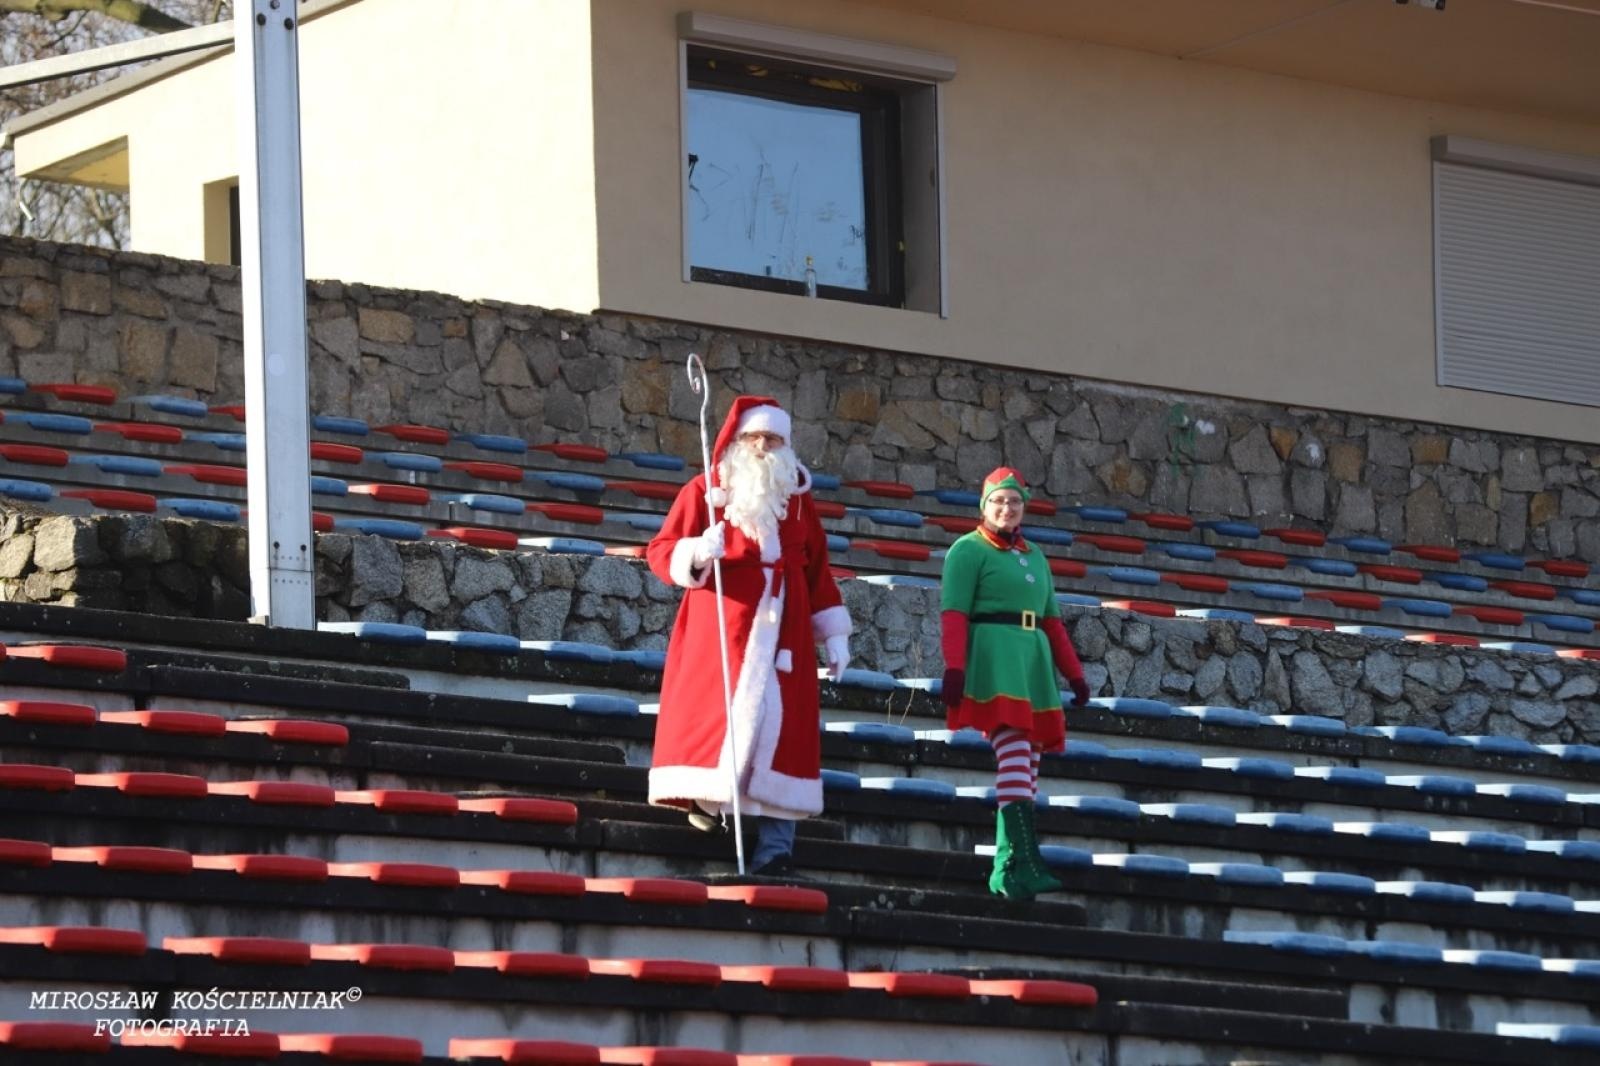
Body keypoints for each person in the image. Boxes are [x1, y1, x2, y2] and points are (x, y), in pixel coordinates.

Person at [646, 395, 852, 877]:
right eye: (754, 437)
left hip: (787, 631)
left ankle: (775, 849)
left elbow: (818, 570)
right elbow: (660, 551)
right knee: (717, 719)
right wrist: (697, 549)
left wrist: (835, 635)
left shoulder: (799, 501)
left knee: (784, 734)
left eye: (773, 439)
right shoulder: (703, 491)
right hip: (723, 626)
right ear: (737, 443)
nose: (763, 447)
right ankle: (708, 803)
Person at [939, 467, 1091, 900]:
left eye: (1015, 502)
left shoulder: (1036, 555)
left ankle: (1014, 864)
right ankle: (1018, 860)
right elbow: (953, 614)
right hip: (996, 659)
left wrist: (1075, 674)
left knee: (1030, 766)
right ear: (984, 506)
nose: (1007, 509)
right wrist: (955, 667)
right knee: (1014, 756)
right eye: (999, 501)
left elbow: (1053, 622)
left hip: (1033, 661)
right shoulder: (967, 550)